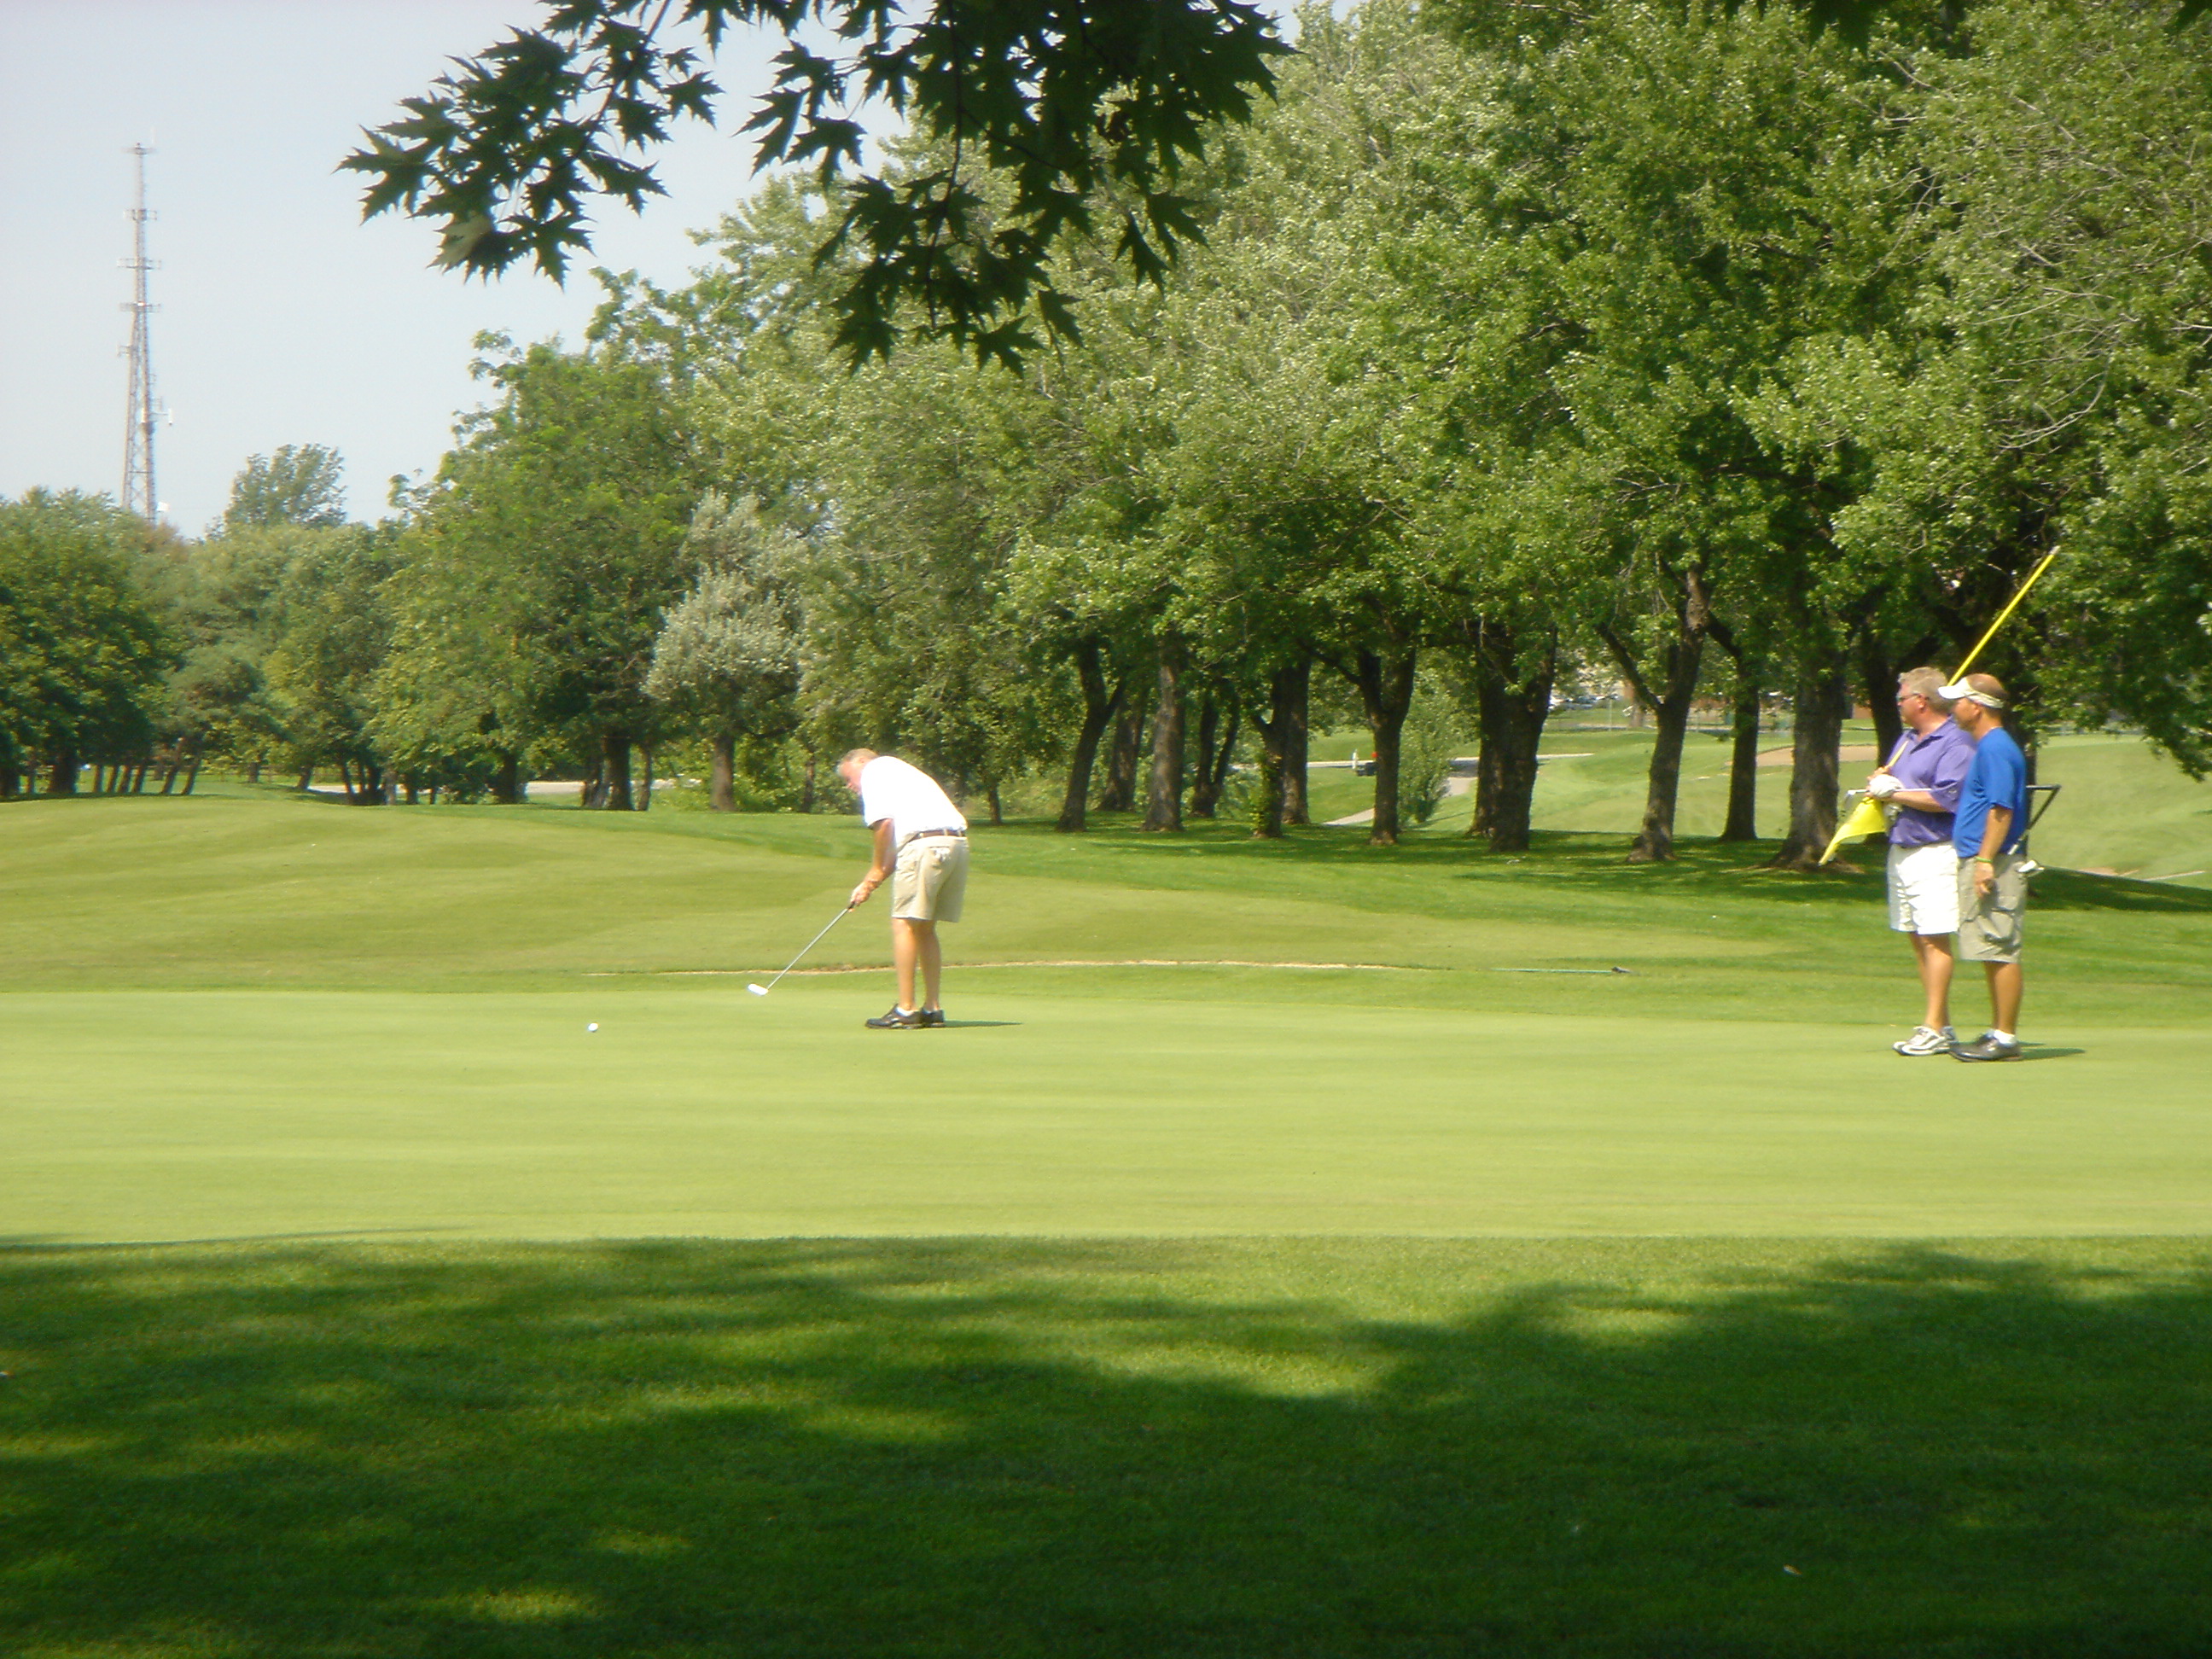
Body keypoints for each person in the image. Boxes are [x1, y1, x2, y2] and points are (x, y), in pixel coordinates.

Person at [1866, 668, 1976, 1056]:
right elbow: (1896, 782)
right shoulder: (1908, 739)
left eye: (1902, 698)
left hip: (1937, 851)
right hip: (1902, 849)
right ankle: (1939, 1025)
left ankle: (1933, 1026)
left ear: (1921, 701)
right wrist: (1883, 782)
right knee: (1917, 939)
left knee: (1935, 938)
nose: (1897, 704)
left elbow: (1947, 799)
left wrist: (1895, 793)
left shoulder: (1956, 742)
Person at [836, 748, 969, 1029]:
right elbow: (894, 854)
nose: (850, 786)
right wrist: (871, 882)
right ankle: (932, 1009)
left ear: (861, 762)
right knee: (924, 927)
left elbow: (884, 825)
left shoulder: (874, 771)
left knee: (904, 925)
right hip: (955, 845)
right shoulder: (902, 773)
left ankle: (906, 1010)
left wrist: (874, 870)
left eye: (849, 779)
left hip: (924, 845)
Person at [1942, 672, 2031, 1061]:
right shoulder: (1990, 745)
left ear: (1975, 707)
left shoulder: (1995, 748)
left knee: (2000, 947)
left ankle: (2006, 1038)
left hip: (1995, 861)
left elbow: (2001, 810)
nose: (1952, 708)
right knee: (1990, 946)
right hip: (1985, 858)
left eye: (1958, 702)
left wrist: (1983, 861)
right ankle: (1998, 1030)